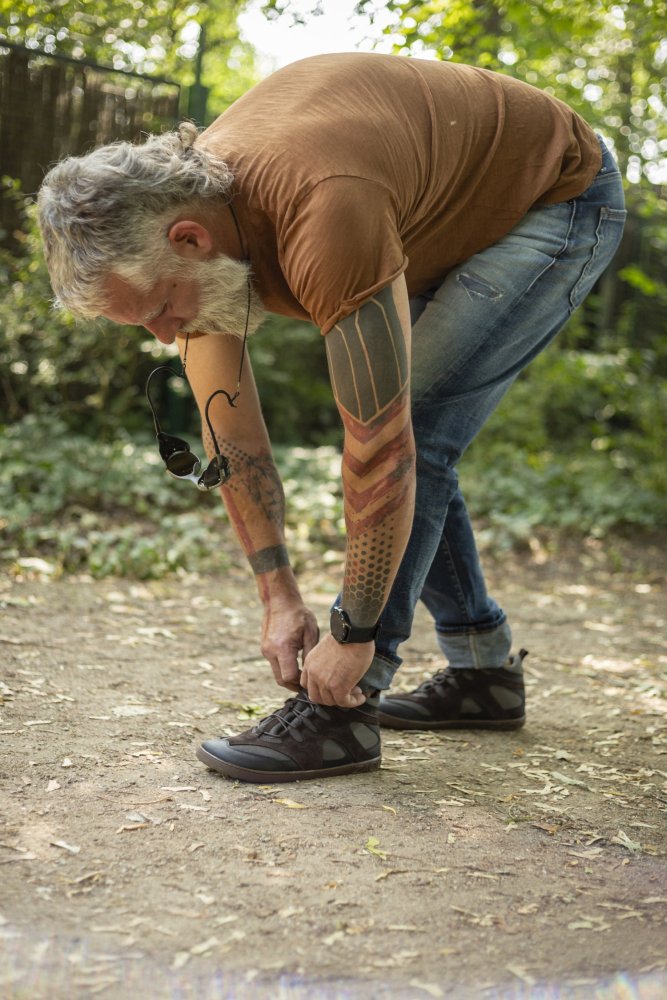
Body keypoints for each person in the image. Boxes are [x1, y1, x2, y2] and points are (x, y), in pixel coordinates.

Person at [37, 53, 626, 784]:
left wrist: (353, 633)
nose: (166, 337)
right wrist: (276, 595)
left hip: (554, 197)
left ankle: (345, 710)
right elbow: (235, 441)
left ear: (190, 239)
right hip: (426, 201)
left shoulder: (321, 207)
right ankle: (483, 672)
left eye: (160, 312)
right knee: (420, 438)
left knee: (415, 424)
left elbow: (382, 448)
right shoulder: (188, 237)